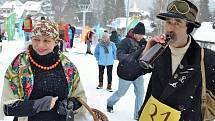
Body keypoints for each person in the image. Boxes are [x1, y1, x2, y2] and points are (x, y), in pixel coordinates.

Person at [138, 0, 215, 120]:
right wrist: (145, 53)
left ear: (188, 28)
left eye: (178, 22)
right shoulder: (157, 50)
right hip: (151, 116)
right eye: (168, 22)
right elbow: (125, 73)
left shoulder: (205, 57)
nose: (170, 28)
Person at [0, 19, 87, 121]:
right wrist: (38, 105)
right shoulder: (19, 64)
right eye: (36, 39)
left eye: (46, 40)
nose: (40, 45)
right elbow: (7, 107)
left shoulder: (67, 65)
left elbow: (81, 99)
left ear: (55, 42)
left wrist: (71, 104)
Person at [107, 22, 147, 120]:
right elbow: (119, 54)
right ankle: (110, 102)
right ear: (134, 33)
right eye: (139, 35)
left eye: (142, 35)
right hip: (126, 72)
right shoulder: (126, 41)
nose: (140, 37)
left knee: (140, 94)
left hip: (138, 73)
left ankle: (138, 115)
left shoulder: (144, 42)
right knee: (121, 92)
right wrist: (131, 58)